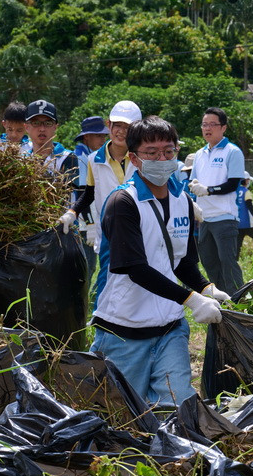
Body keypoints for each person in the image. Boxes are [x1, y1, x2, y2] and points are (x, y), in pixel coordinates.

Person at [91, 115, 229, 407]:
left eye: (168, 151)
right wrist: (192, 300)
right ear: (134, 159)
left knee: (178, 407)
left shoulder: (182, 199)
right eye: (151, 153)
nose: (162, 159)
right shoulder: (123, 203)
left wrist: (206, 289)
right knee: (123, 414)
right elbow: (135, 269)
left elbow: (182, 262)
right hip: (124, 329)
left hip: (169, 326)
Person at [60, 100, 141, 290]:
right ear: (109, 125)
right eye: (117, 125)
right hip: (109, 230)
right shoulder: (93, 159)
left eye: (127, 127)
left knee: (139, 278)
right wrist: (72, 213)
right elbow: (89, 193)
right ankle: (101, 318)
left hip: (140, 226)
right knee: (107, 279)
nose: (121, 131)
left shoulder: (144, 156)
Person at [188, 107, 246, 295]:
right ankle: (222, 302)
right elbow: (193, 182)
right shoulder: (199, 154)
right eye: (205, 124)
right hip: (205, 219)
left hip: (224, 217)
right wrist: (195, 189)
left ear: (223, 128)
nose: (208, 128)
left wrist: (209, 190)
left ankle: (239, 303)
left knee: (227, 262)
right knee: (209, 263)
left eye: (213, 124)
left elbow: (233, 184)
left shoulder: (232, 151)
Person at [26, 99, 80, 189]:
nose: (42, 129)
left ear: (55, 127)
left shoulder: (67, 157)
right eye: (36, 123)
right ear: (27, 127)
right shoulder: (23, 158)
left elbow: (66, 195)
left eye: (48, 123)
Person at [235, 170, 253, 256]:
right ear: (245, 180)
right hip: (248, 223)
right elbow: (249, 205)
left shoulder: (233, 191)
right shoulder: (246, 192)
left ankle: (236, 260)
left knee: (237, 245)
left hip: (237, 223)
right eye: (248, 180)